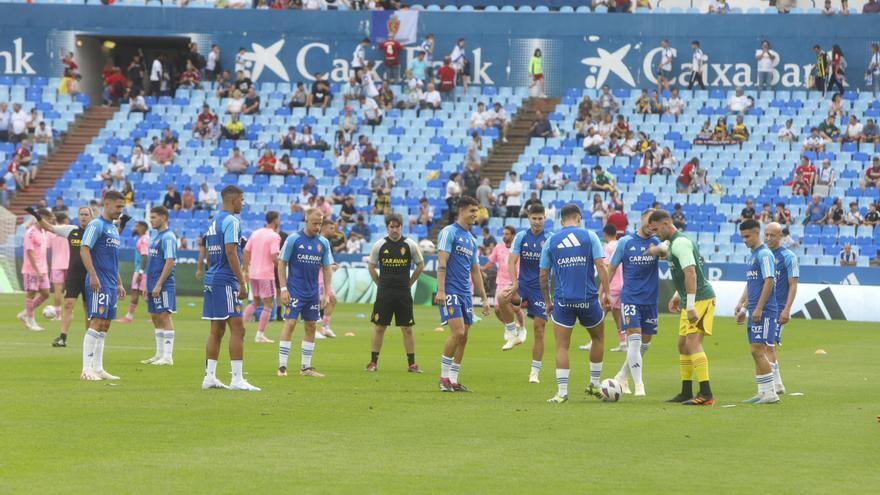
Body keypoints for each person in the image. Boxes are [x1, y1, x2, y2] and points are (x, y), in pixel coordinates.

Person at [540, 204, 611, 404]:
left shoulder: (551, 241)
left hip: (563, 301)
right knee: (598, 338)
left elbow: (543, 274)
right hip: (588, 299)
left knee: (562, 346)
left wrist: (548, 301)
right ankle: (595, 385)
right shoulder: (590, 236)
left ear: (561, 221)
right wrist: (606, 293)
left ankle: (562, 393)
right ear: (579, 218)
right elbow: (601, 266)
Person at [648, 209, 716, 406]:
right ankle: (686, 391)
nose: (655, 233)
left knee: (694, 343)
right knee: (682, 344)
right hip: (690, 300)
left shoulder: (681, 244)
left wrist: (692, 304)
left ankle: (706, 393)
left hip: (701, 299)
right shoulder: (673, 244)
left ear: (666, 223)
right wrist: (678, 295)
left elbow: (691, 273)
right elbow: (683, 273)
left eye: (656, 229)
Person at [201, 185, 260, 391]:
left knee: (216, 329)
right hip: (225, 280)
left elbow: (210, 252)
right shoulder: (232, 221)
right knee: (238, 328)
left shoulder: (214, 221)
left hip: (212, 278)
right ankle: (237, 379)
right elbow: (230, 251)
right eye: (242, 200)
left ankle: (210, 377)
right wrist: (241, 282)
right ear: (233, 200)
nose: (243, 204)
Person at [609, 209, 668, 397]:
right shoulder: (625, 242)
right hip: (630, 298)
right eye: (649, 220)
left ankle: (622, 375)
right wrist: (603, 291)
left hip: (650, 300)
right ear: (642, 219)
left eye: (654, 222)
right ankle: (639, 385)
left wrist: (660, 248)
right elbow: (611, 267)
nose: (652, 225)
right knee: (634, 341)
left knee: (646, 343)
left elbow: (666, 252)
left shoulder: (656, 242)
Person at [436, 196, 491, 392]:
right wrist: (441, 290)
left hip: (465, 293)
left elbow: (475, 270)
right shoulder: (448, 232)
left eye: (476, 211)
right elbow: (442, 262)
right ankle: (443, 378)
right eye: (472, 210)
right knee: (457, 332)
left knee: (464, 336)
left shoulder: (471, 240)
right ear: (461, 211)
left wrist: (484, 299)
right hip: (450, 290)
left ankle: (453, 378)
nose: (475, 214)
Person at [277, 208, 334, 378]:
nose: (317, 227)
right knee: (290, 323)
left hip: (312, 293)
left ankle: (305, 368)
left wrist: (326, 294)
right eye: (314, 223)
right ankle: (282, 367)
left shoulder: (323, 243)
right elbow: (282, 264)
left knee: (311, 326)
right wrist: (283, 288)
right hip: (295, 291)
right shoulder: (293, 239)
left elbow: (327, 268)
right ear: (306, 221)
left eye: (320, 224)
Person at [365, 213, 426, 373]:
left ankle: (412, 365)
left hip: (403, 293)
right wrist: (379, 283)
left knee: (407, 328)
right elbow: (371, 266)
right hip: (384, 293)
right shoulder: (380, 245)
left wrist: (410, 282)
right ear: (387, 227)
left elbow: (420, 265)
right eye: (391, 227)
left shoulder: (409, 244)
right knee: (379, 327)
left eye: (397, 226)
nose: (394, 230)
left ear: (401, 227)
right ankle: (373, 363)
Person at [79, 191, 127, 381]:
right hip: (98, 282)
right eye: (118, 207)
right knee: (97, 321)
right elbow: (84, 249)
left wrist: (120, 283)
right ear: (106, 204)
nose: (120, 210)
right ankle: (86, 368)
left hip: (111, 283)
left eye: (122, 207)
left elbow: (112, 260)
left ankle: (98, 368)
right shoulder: (96, 225)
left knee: (105, 324)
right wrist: (92, 275)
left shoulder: (113, 228)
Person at [734, 219, 780, 404]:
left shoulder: (765, 255)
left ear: (756, 233)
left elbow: (769, 280)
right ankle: (762, 392)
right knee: (755, 351)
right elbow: (752, 283)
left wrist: (759, 307)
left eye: (747, 236)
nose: (744, 240)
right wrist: (742, 304)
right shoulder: (753, 255)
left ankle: (771, 393)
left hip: (765, 310)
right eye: (742, 237)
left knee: (758, 350)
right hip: (754, 309)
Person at [140, 206, 177, 366]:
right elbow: (151, 263)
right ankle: (159, 354)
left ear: (163, 217)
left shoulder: (168, 237)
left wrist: (159, 284)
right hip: (152, 284)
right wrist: (146, 285)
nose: (151, 220)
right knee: (155, 317)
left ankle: (168, 357)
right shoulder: (156, 237)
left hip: (164, 284)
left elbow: (170, 261)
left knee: (164, 316)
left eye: (154, 217)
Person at [764, 222, 797, 396]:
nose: (768, 238)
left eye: (772, 235)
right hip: (763, 306)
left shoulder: (788, 256)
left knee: (769, 346)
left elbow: (793, 285)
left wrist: (787, 309)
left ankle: (776, 384)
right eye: (766, 234)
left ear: (781, 236)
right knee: (761, 346)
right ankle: (771, 383)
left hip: (778, 308)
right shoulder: (762, 254)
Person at [483, 226, 526, 351]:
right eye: (503, 234)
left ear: (513, 235)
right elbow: (491, 261)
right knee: (497, 309)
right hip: (501, 282)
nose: (504, 236)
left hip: (515, 281)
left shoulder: (519, 248)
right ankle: (509, 326)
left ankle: (522, 328)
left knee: (515, 308)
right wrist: (482, 269)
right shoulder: (498, 247)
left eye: (507, 234)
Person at [242, 211, 282, 344]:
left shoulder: (256, 233)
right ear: (275, 220)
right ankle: (259, 335)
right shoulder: (274, 236)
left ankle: (240, 327)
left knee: (255, 302)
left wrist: (246, 269)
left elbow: (246, 251)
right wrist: (283, 268)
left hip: (254, 273)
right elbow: (274, 256)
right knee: (268, 304)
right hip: (266, 274)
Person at [19, 209, 55, 331]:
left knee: (45, 293)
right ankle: (31, 320)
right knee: (31, 293)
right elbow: (30, 252)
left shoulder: (44, 232)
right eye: (48, 219)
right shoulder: (30, 232)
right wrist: (37, 270)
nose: (49, 222)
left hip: (43, 269)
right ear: (42, 218)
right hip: (31, 269)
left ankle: (24, 314)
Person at [118, 221, 149, 324]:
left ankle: (129, 317)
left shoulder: (143, 240)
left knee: (139, 293)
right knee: (142, 293)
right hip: (143, 270)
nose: (135, 228)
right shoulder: (144, 239)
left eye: (137, 226)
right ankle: (156, 315)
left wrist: (141, 272)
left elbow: (145, 256)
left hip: (141, 270)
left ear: (142, 228)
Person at [46, 212, 70, 319]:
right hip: (69, 264)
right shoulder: (70, 230)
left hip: (56, 265)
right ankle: (69, 312)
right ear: (64, 220)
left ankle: (58, 315)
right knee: (69, 290)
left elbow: (47, 248)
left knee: (57, 291)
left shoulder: (51, 232)